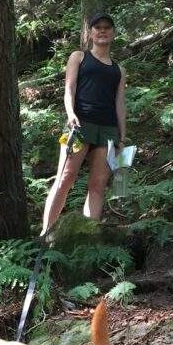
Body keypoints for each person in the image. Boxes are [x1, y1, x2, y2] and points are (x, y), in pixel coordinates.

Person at [42, 13, 127, 233]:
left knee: (98, 185)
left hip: (108, 129)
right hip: (80, 125)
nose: (102, 30)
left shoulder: (119, 70)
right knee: (65, 177)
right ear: (90, 32)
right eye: (97, 27)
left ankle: (87, 235)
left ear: (113, 33)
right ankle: (46, 233)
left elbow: (119, 104)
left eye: (107, 27)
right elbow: (69, 88)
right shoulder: (79, 57)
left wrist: (122, 137)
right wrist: (70, 114)